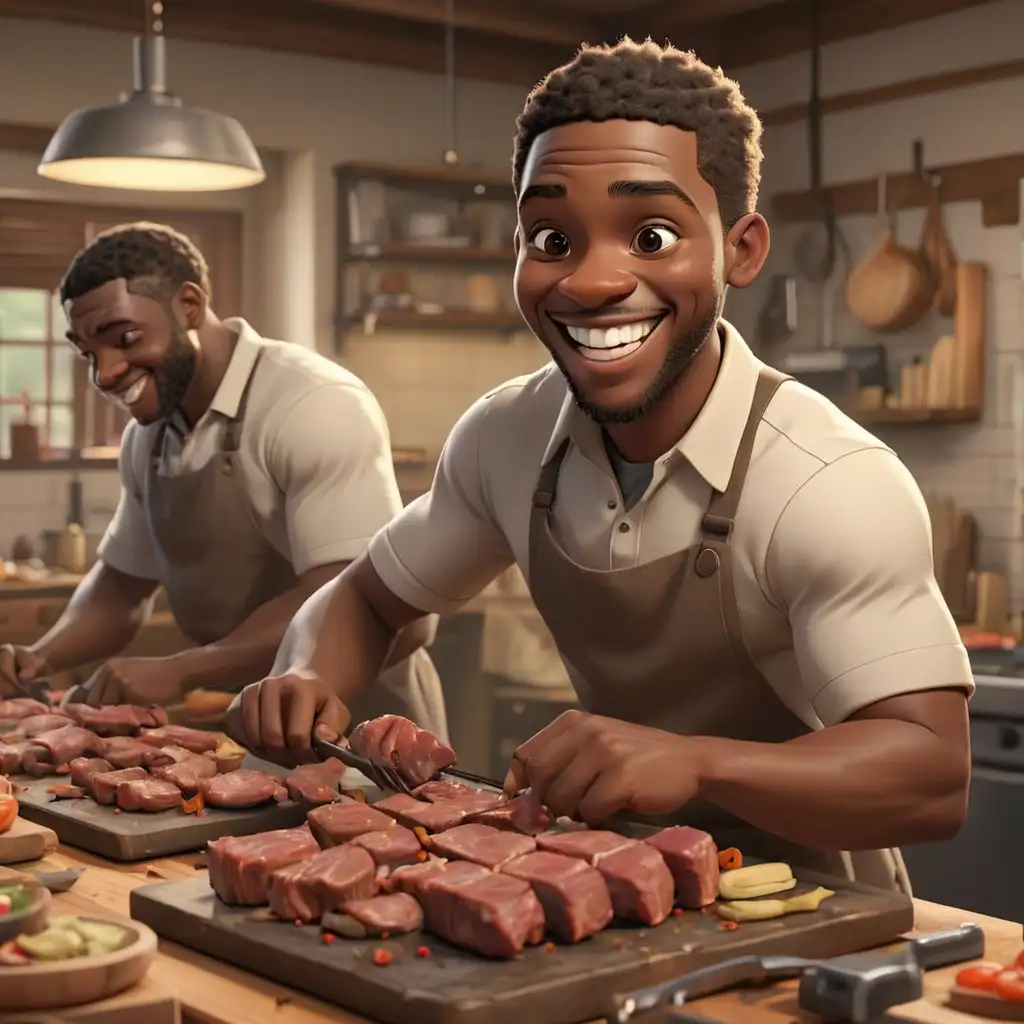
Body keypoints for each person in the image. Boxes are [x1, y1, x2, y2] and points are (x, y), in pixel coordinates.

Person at [228, 40, 972, 892]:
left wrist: (697, 765)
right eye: (552, 237)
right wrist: (308, 674)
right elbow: (365, 596)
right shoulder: (506, 436)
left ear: (742, 248)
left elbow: (931, 777)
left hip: (811, 912)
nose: (591, 282)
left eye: (650, 235)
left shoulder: (824, 478)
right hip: (608, 882)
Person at [0, 222, 447, 740]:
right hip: (250, 722)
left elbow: (348, 590)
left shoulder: (313, 403)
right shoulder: (147, 438)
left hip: (366, 723)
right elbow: (121, 587)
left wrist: (182, 668)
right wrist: (38, 657)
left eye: (124, 339)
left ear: (189, 305)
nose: (105, 373)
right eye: (87, 354)